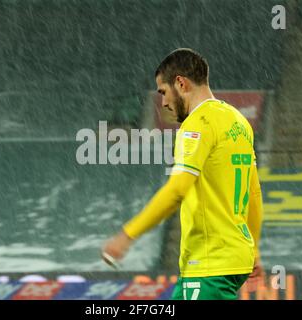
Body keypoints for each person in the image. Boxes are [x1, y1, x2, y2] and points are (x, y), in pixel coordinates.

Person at [102, 48, 264, 300]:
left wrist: (127, 235)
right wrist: (254, 249)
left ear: (181, 83)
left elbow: (177, 190)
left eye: (163, 92)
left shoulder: (197, 124)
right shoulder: (238, 121)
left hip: (210, 263)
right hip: (229, 258)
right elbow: (253, 193)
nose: (164, 103)